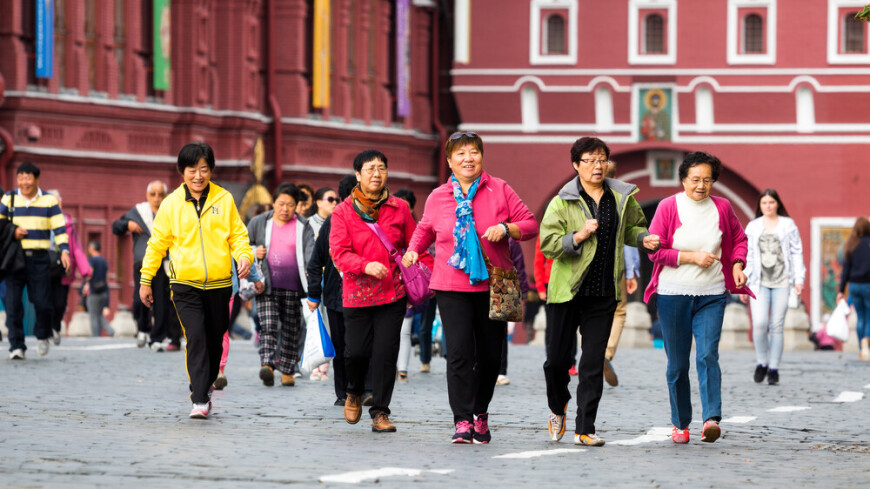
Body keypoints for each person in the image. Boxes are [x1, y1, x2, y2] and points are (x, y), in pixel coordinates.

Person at [404, 132, 538, 444]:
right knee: (460, 353)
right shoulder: (438, 196)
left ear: (481, 156)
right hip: (451, 284)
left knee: (491, 356)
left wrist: (506, 228)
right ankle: (462, 419)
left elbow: (529, 223)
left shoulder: (499, 189)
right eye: (461, 154)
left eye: (474, 152)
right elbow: (425, 229)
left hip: (496, 283)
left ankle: (481, 411)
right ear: (449, 161)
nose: (468, 158)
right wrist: (413, 249)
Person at [540, 136, 657, 447]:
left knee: (591, 363)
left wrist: (643, 238)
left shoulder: (621, 197)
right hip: (566, 292)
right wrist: (577, 236)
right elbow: (548, 245)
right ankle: (557, 406)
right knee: (555, 362)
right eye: (589, 160)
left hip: (603, 292)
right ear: (576, 165)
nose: (596, 166)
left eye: (601, 159)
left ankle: (585, 428)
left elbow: (633, 227)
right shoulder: (561, 201)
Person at [644, 151, 753, 444]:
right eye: (695, 180)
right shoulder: (668, 207)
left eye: (707, 180)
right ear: (683, 180)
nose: (701, 186)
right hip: (673, 294)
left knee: (707, 355)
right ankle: (680, 423)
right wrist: (691, 257)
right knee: (678, 365)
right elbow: (655, 251)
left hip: (712, 294)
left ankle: (711, 419)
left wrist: (737, 265)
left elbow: (739, 239)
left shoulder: (723, 207)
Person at [139, 142, 254, 419]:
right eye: (192, 170)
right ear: (182, 172)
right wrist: (146, 279)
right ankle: (199, 398)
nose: (198, 176)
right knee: (196, 337)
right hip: (184, 284)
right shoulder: (170, 204)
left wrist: (244, 255)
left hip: (218, 284)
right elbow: (157, 245)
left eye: (204, 169)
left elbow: (237, 235)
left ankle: (205, 382)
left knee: (215, 341)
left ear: (210, 170)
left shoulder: (224, 200)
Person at [332, 149, 428, 434]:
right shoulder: (343, 212)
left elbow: (416, 242)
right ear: (358, 175)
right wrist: (365, 266)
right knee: (356, 352)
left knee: (386, 354)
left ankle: (381, 412)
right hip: (357, 294)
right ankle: (353, 392)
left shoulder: (399, 208)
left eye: (382, 168)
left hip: (393, 293)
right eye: (370, 169)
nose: (377, 174)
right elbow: (339, 252)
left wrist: (417, 260)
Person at [0, 162, 71, 360]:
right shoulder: (9, 198)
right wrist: (12, 231)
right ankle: (17, 345)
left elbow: (59, 228)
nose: (24, 182)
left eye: (28, 177)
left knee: (42, 303)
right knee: (13, 305)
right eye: (20, 177)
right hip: (15, 258)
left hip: (40, 258)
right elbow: (0, 223)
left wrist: (64, 251)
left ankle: (42, 334)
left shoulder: (49, 201)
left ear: (37, 179)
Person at [247, 183, 314, 387]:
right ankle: (267, 364)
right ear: (273, 203)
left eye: (290, 205)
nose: (285, 209)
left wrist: (310, 272)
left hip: (294, 285)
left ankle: (287, 370)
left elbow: (310, 251)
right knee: (268, 325)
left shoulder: (303, 226)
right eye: (281, 203)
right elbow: (241, 245)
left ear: (297, 206)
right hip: (266, 283)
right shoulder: (259, 222)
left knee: (291, 328)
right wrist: (253, 252)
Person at [307, 175, 364, 405]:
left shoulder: (371, 219)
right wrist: (313, 294)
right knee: (345, 346)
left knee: (354, 346)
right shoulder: (334, 222)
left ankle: (353, 390)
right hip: (339, 295)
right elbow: (316, 260)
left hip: (356, 295)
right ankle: (347, 392)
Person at [741, 189, 806, 383]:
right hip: (758, 282)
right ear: (760, 206)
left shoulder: (788, 225)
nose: (768, 206)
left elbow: (796, 251)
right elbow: (747, 255)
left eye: (771, 202)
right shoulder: (753, 227)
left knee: (776, 325)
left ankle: (774, 367)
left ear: (777, 203)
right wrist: (744, 280)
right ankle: (761, 362)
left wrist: (799, 278)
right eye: (764, 203)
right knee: (759, 324)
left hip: (782, 282)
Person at [112, 181, 180, 351]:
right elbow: (116, 226)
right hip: (142, 264)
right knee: (138, 300)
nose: (157, 198)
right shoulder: (138, 212)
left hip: (163, 264)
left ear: (165, 196)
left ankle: (157, 338)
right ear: (147, 196)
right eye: (153, 194)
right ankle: (143, 327)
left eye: (160, 194)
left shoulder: (171, 212)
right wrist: (128, 225)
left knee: (162, 302)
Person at [602, 160, 642, 387]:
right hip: (615, 264)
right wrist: (632, 271)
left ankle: (590, 352)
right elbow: (630, 238)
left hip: (587, 264)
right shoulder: (624, 196)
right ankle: (605, 354)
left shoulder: (578, 192)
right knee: (619, 311)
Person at [46, 189, 91, 346]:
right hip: (44, 267)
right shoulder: (41, 221)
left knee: (60, 303)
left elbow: (77, 248)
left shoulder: (68, 223)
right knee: (45, 301)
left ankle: (56, 327)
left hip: (63, 269)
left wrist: (85, 270)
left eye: (56, 202)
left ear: (60, 203)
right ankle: (46, 330)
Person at [306, 185, 340, 381]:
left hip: (332, 281)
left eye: (336, 199)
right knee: (313, 323)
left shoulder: (338, 221)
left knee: (329, 324)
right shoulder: (308, 224)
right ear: (318, 202)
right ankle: (314, 363)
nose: (334, 203)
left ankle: (324, 367)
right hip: (312, 279)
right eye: (330, 199)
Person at [496, 238, 530, 386]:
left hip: (505, 283)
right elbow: (520, 265)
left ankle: (500, 371)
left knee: (501, 332)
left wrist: (523, 289)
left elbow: (519, 265)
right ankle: (498, 372)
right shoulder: (511, 239)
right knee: (498, 332)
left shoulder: (511, 240)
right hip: (499, 282)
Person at [837, 217, 870, 361]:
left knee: (860, 317)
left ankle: (862, 349)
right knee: (869, 316)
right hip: (868, 284)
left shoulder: (851, 244)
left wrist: (841, 291)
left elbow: (845, 270)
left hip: (854, 286)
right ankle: (866, 341)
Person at [84, 241, 114, 337]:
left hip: (94, 291)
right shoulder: (104, 261)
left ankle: (95, 336)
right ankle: (110, 331)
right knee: (98, 314)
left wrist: (87, 284)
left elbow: (90, 274)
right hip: (103, 291)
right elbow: (106, 277)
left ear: (92, 248)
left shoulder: (92, 260)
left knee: (93, 315)